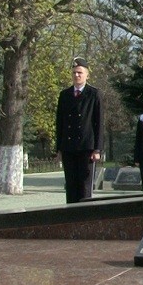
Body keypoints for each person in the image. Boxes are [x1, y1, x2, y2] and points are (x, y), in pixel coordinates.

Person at [55, 57, 103, 203]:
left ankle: (85, 215)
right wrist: (59, 148)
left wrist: (97, 149)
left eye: (80, 72)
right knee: (71, 185)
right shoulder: (65, 95)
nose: (77, 75)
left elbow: (99, 123)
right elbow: (60, 122)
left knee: (84, 186)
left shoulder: (94, 94)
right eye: (74, 72)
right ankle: (71, 214)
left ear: (87, 75)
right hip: (69, 147)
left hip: (86, 147)